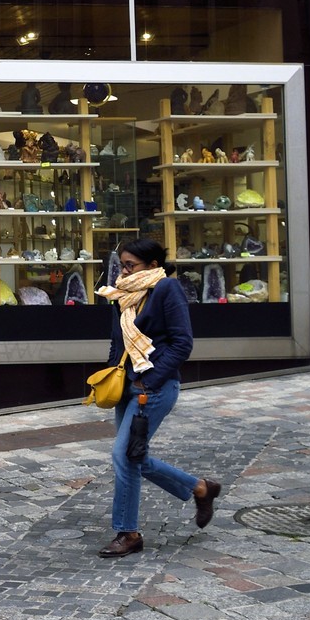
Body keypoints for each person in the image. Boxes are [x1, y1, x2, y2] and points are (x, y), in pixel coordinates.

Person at [94, 238, 221, 558]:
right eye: (122, 264)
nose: (124, 271)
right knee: (134, 457)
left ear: (152, 265)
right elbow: (117, 341)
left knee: (124, 456)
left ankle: (128, 533)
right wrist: (113, 374)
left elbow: (182, 343)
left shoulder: (167, 289)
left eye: (130, 265)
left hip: (155, 388)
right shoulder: (122, 294)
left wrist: (149, 381)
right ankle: (200, 488)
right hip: (127, 387)